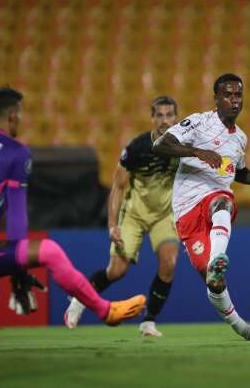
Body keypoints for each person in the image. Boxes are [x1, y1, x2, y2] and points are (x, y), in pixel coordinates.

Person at [0, 87, 146, 338]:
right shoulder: (15, 151)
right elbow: (16, 214)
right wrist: (19, 269)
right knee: (49, 251)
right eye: (20, 117)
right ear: (13, 116)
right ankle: (105, 311)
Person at [153, 73, 250, 341]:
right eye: (228, 95)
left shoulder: (240, 139)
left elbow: (237, 172)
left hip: (215, 199)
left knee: (222, 199)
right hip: (187, 209)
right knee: (214, 283)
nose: (234, 101)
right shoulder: (199, 122)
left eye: (238, 95)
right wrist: (197, 152)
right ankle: (242, 328)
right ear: (217, 99)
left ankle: (217, 258)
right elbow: (160, 144)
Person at [64, 96, 181, 336]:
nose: (164, 120)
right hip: (134, 214)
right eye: (159, 115)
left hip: (164, 215)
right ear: (152, 118)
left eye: (169, 115)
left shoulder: (185, 147)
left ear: (176, 118)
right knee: (117, 270)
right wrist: (112, 225)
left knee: (169, 262)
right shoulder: (137, 147)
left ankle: (149, 322)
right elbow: (117, 186)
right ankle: (79, 300)